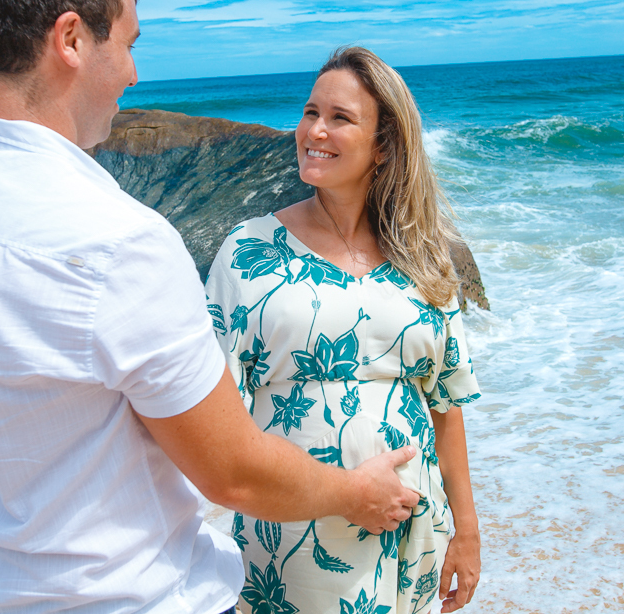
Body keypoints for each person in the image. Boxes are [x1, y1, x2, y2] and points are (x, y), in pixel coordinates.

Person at [0, 0, 421, 614]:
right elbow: (232, 473)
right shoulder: (118, 241)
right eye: (126, 43)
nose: (133, 73)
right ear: (70, 40)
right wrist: (352, 493)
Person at [204, 46, 483, 614]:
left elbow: (446, 406)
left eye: (340, 117)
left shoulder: (426, 259)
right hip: (293, 534)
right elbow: (214, 416)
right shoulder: (249, 251)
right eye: (310, 112)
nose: (315, 130)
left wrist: (468, 530)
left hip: (411, 530)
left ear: (384, 145)